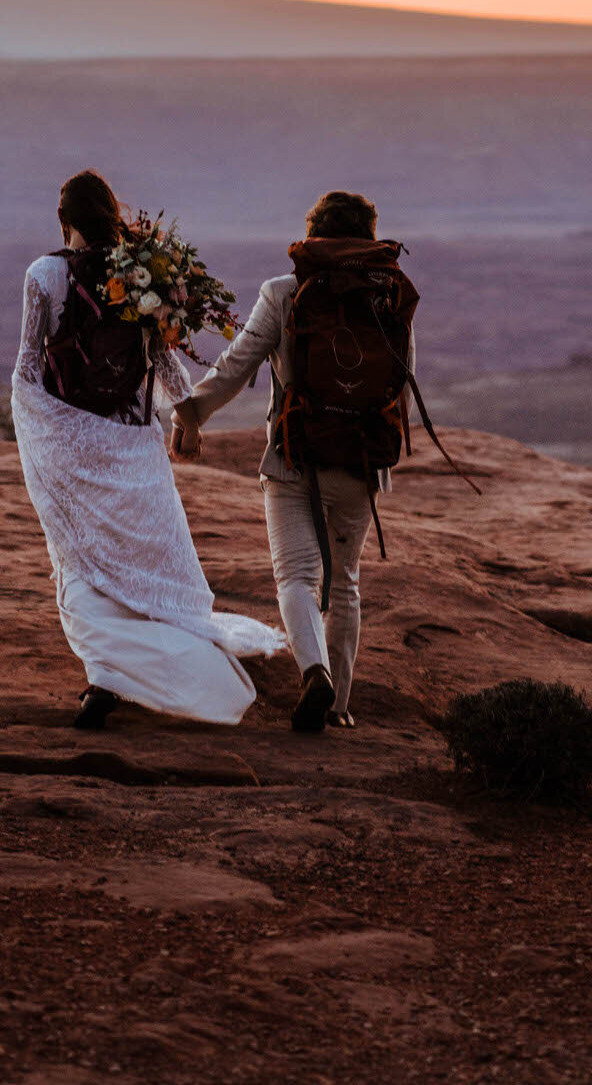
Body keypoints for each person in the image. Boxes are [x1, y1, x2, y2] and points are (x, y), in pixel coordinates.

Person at [11, 169, 283, 731]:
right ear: (113, 215)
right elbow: (159, 357)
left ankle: (103, 678)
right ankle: (152, 669)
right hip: (134, 440)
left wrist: (42, 433)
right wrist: (187, 421)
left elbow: (27, 367)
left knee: (83, 559)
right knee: (145, 558)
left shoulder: (43, 274)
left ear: (64, 222)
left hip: (70, 443)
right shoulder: (145, 277)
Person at [172, 190, 412, 734]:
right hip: (360, 462)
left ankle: (313, 671)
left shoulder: (284, 291)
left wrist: (189, 418)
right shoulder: (390, 297)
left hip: (293, 458)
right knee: (345, 581)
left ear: (313, 235)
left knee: (297, 577)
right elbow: (399, 382)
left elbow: (237, 364)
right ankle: (339, 704)